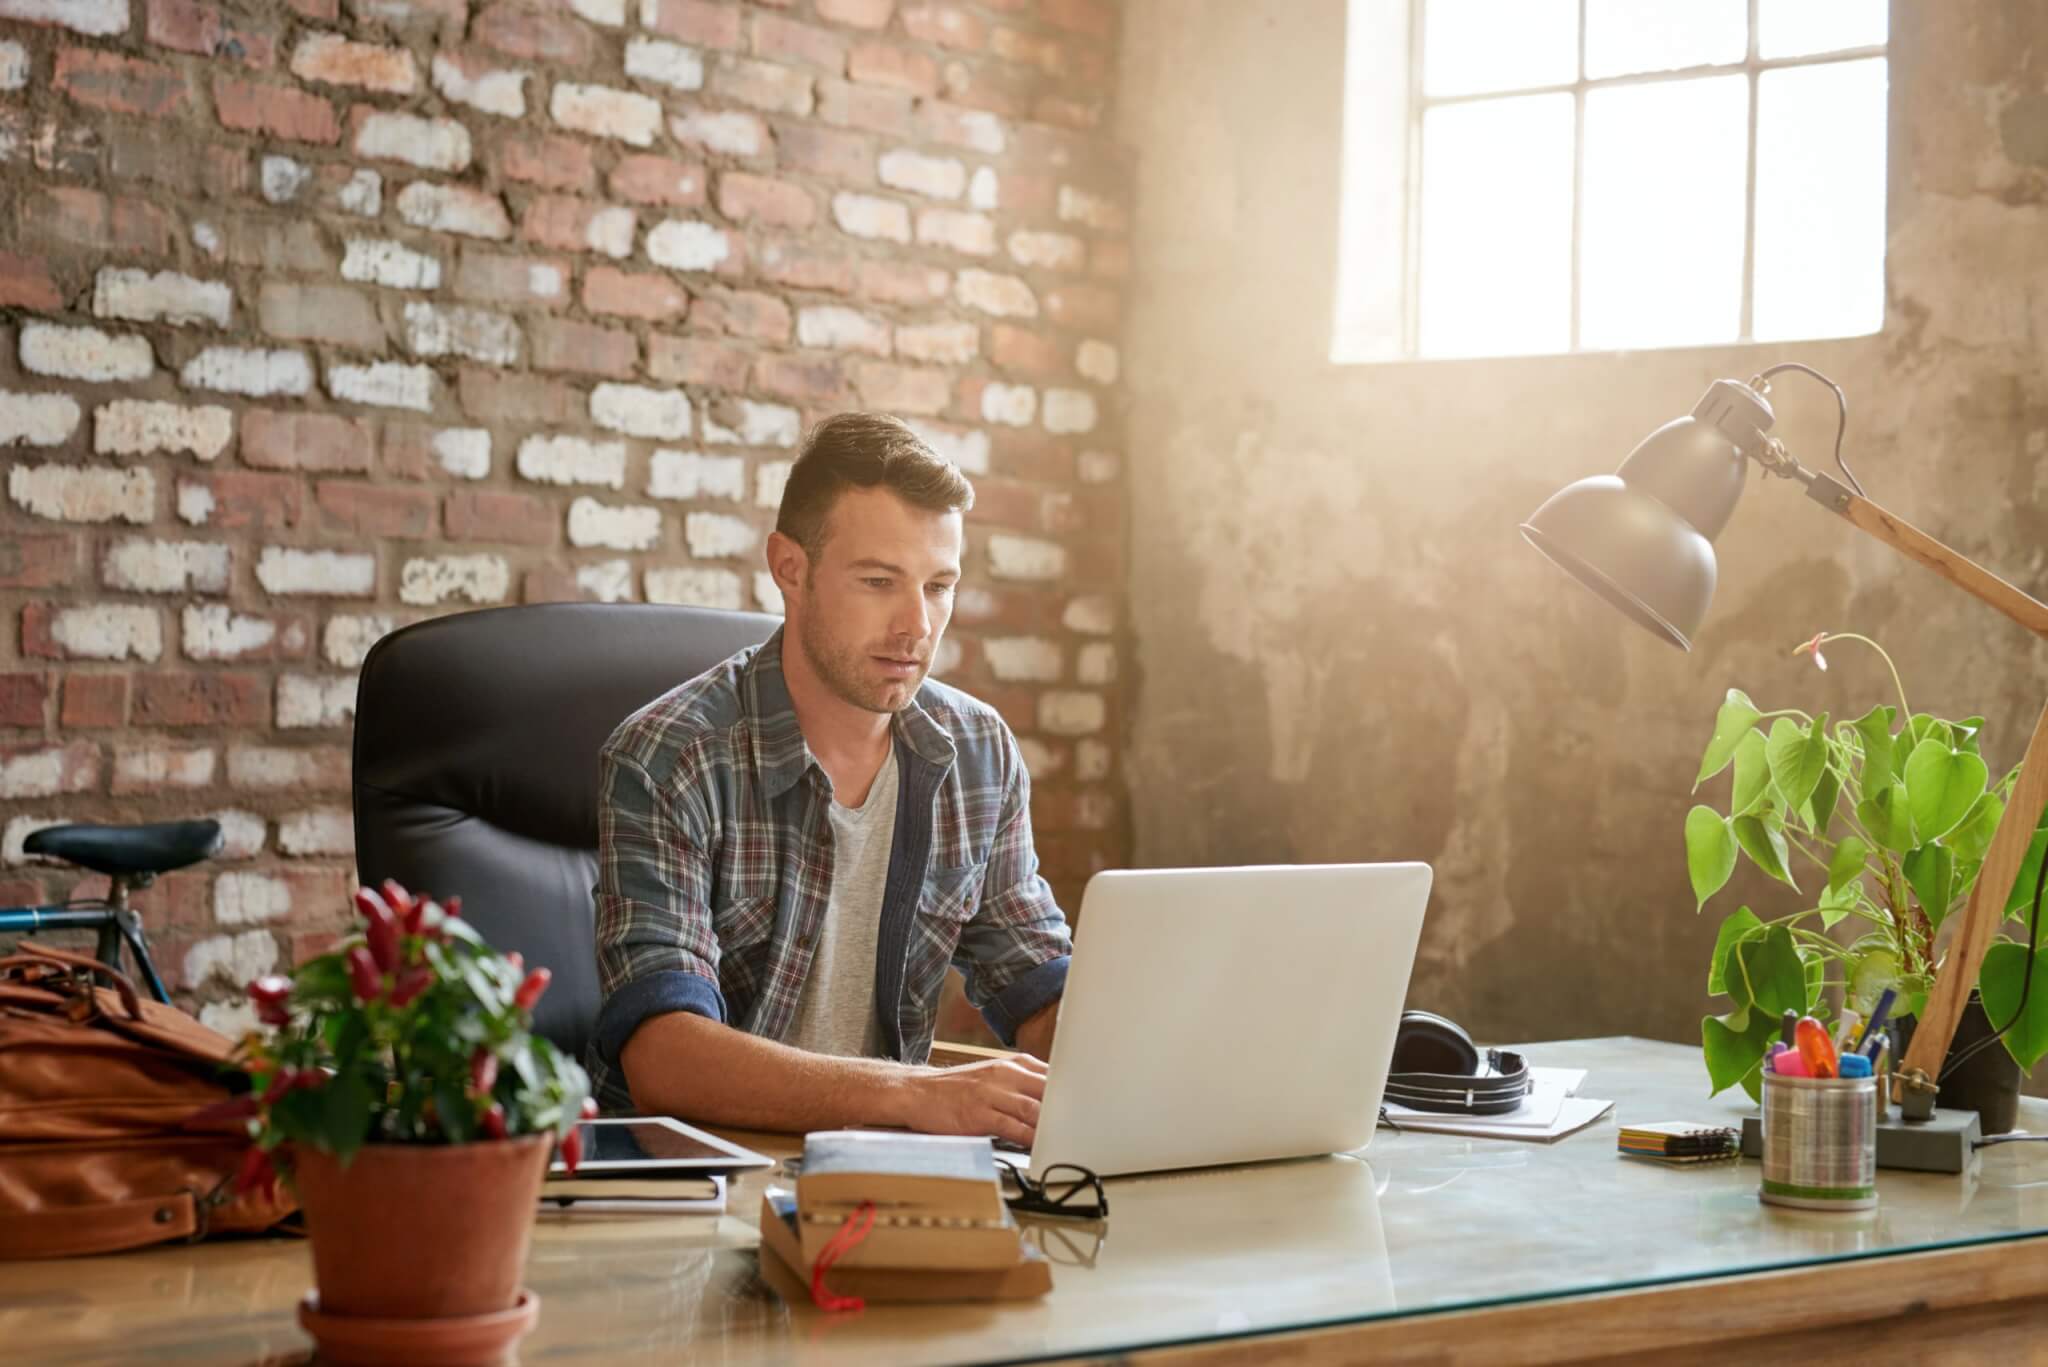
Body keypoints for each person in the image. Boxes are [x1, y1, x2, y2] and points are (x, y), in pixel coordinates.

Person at [587, 412, 1073, 1148]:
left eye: (939, 586)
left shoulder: (978, 755)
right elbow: (664, 1056)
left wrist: (1133, 1053)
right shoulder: (669, 757)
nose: (917, 625)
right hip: (701, 1186)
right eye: (879, 581)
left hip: (889, 1182)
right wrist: (918, 1094)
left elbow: (1037, 983)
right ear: (789, 567)